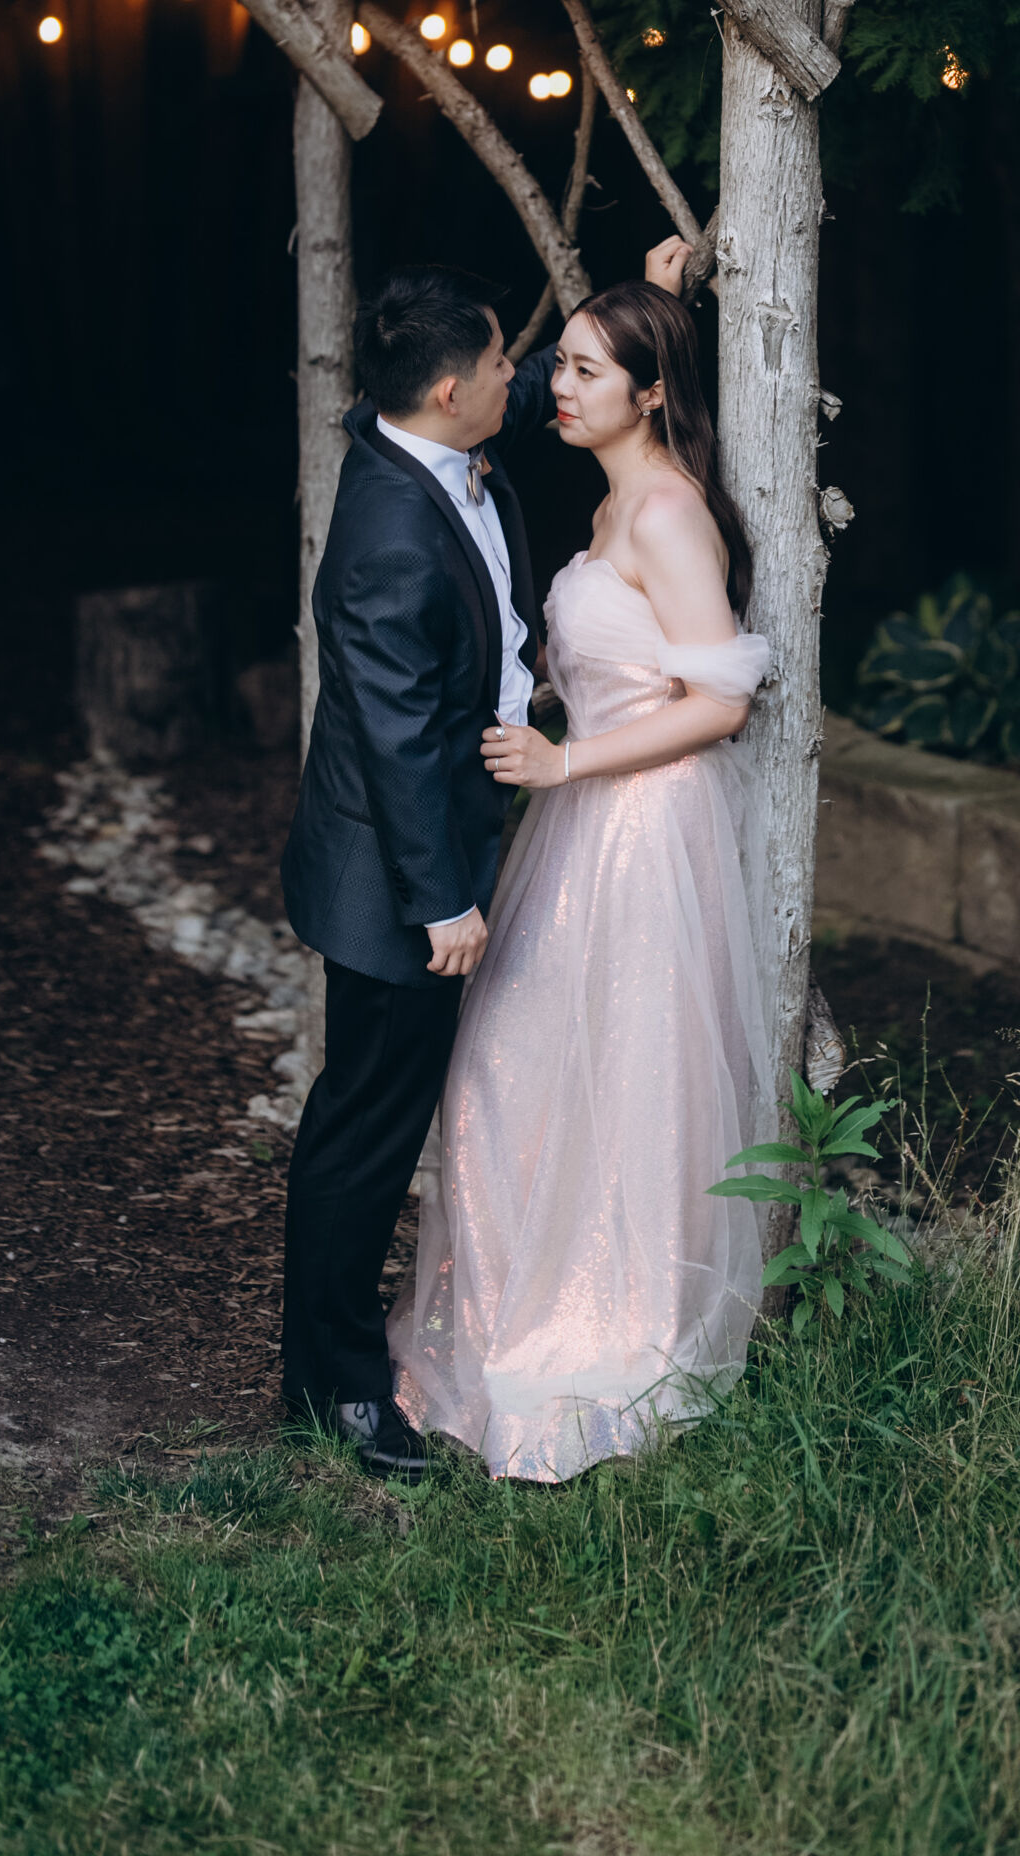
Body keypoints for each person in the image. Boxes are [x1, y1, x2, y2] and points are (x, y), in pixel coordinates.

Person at [278, 243, 690, 1479]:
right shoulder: (390, 538)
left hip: (438, 844)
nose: (528, 376)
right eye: (508, 361)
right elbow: (398, 743)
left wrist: (655, 299)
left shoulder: (429, 427)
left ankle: (326, 1364)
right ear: (452, 390)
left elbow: (562, 378)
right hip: (397, 886)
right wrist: (443, 904)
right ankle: (337, 1389)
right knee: (366, 1130)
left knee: (371, 1116)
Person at [393, 276, 776, 1482]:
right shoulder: (612, 499)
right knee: (507, 1072)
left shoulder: (665, 514)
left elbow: (719, 703)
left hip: (645, 827)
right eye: (556, 363)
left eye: (584, 371)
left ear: (649, 395)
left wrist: (565, 759)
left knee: (633, 1074)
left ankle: (619, 1330)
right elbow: (622, 662)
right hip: (578, 823)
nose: (556, 387)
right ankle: (515, 1307)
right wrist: (657, 295)